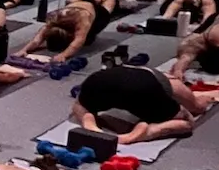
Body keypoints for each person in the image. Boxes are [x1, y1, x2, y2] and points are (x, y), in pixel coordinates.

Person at [71, 62, 208, 145]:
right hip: (142, 89)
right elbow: (196, 108)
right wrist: (203, 100)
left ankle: (89, 122)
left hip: (99, 80)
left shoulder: (133, 69)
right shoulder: (173, 82)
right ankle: (147, 132)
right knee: (187, 123)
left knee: (80, 105)